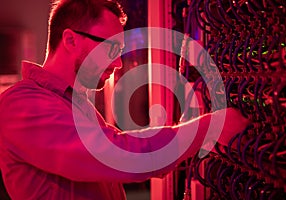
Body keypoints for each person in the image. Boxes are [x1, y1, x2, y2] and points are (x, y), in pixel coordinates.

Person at [0, 0, 249, 199]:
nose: (118, 63)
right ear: (70, 40)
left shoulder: (73, 106)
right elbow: (119, 154)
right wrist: (210, 127)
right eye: (111, 49)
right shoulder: (20, 105)